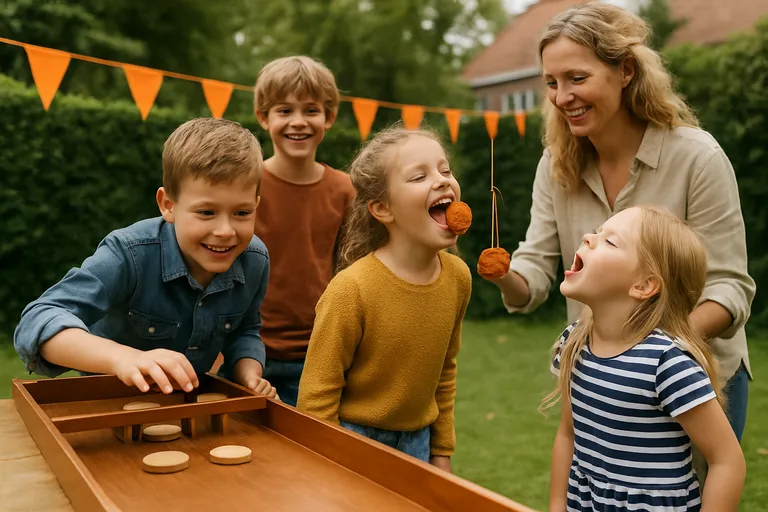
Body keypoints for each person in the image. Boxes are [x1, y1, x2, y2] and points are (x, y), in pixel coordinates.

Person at [484, 3, 755, 443]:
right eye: (552, 82)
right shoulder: (556, 166)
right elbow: (531, 277)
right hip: (598, 387)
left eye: (577, 78)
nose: (561, 96)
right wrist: (500, 273)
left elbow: (729, 290)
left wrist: (646, 354)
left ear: (625, 70)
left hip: (694, 383)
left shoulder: (697, 157)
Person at [13, 118, 276, 399]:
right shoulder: (129, 253)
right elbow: (36, 321)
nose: (225, 231)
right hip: (105, 405)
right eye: (206, 213)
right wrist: (124, 358)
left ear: (256, 205)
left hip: (186, 411)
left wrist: (249, 374)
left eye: (242, 213)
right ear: (168, 205)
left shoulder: (255, 260)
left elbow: (245, 330)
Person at [545, 205, 745, 512]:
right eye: (598, 232)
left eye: (610, 241)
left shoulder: (668, 364)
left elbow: (726, 460)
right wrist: (558, 505)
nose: (588, 237)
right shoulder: (573, 343)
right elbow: (568, 433)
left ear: (644, 285)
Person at [296, 126, 472, 473]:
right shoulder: (351, 290)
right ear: (382, 208)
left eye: (445, 170)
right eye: (419, 176)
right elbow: (317, 396)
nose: (441, 180)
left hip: (418, 444)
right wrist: (326, 466)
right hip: (352, 442)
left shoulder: (458, 278)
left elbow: (444, 373)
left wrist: (441, 452)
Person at [233, 55, 355, 407]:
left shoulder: (346, 190)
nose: (298, 122)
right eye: (284, 110)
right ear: (263, 117)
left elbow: (351, 271)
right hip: (248, 351)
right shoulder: (244, 185)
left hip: (321, 352)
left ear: (328, 118)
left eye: (311, 110)